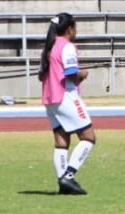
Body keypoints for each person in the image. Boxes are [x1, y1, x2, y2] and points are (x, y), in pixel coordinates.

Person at [38, 12, 94, 195]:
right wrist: (82, 74)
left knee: (61, 142)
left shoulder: (49, 47)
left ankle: (63, 183)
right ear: (70, 29)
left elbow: (41, 75)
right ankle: (68, 176)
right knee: (88, 137)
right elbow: (70, 73)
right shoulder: (67, 46)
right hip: (65, 96)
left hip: (50, 98)